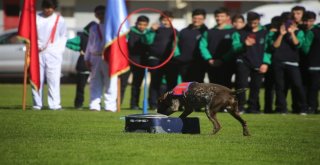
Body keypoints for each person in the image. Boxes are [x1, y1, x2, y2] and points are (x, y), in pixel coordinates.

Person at [269, 12, 307, 115]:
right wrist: (281, 34)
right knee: (280, 86)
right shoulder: (275, 33)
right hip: (278, 62)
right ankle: (282, 109)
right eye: (284, 22)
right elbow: (274, 47)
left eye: (289, 22)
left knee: (297, 85)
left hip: (292, 62)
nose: (286, 25)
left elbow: (297, 44)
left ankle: (303, 108)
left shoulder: (299, 32)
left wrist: (292, 33)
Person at [32, 0, 67, 110]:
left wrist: (58, 50)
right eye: (46, 7)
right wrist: (35, 46)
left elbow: (63, 36)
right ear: (42, 7)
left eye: (51, 7)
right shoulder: (35, 18)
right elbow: (30, 34)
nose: (48, 10)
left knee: (54, 79)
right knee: (37, 78)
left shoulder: (59, 19)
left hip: (53, 52)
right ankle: (37, 104)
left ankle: (55, 104)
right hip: (36, 52)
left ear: (54, 8)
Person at [232, 12, 270, 113]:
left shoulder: (265, 33)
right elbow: (235, 48)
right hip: (243, 62)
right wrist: (244, 45)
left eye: (255, 23)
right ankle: (240, 107)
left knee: (256, 86)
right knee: (241, 85)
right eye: (250, 23)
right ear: (247, 21)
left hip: (258, 62)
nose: (252, 25)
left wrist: (265, 63)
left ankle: (253, 107)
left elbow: (268, 49)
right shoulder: (239, 32)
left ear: (258, 21)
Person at [84, 5, 117, 112]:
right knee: (95, 82)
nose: (101, 15)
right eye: (98, 13)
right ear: (96, 15)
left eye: (103, 13)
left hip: (109, 57)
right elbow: (90, 44)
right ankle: (94, 104)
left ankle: (110, 106)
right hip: (95, 57)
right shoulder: (93, 28)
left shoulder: (113, 27)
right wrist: (87, 58)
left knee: (110, 82)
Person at [147, 10, 179, 109]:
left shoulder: (175, 31)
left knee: (171, 83)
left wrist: (177, 56)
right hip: (156, 60)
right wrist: (151, 30)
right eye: (164, 19)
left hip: (170, 60)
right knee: (155, 82)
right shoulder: (156, 30)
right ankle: (153, 104)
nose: (166, 21)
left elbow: (177, 46)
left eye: (168, 19)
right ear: (161, 20)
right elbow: (148, 41)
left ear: (172, 20)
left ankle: (170, 103)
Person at [199, 7, 236, 89]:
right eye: (217, 16)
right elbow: (202, 46)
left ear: (227, 17)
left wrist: (223, 59)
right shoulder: (209, 32)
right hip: (211, 64)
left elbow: (234, 48)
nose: (219, 18)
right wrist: (209, 59)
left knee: (226, 89)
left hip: (227, 64)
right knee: (213, 89)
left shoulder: (233, 31)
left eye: (222, 16)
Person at [121, 15, 151, 110]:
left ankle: (134, 104)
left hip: (141, 63)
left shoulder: (148, 34)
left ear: (147, 25)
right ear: (136, 23)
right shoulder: (129, 32)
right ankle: (117, 104)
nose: (142, 26)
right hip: (127, 61)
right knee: (123, 83)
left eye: (144, 25)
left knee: (136, 85)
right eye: (140, 24)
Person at [66, 21, 96, 109]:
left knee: (96, 87)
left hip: (96, 64)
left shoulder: (99, 37)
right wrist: (79, 49)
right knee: (80, 86)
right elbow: (68, 43)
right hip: (83, 64)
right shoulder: (82, 37)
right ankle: (78, 104)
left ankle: (96, 104)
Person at [175, 8, 208, 83]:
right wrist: (177, 55)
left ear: (204, 19)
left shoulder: (207, 32)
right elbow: (175, 44)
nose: (196, 20)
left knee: (198, 87)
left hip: (199, 64)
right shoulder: (183, 31)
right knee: (185, 86)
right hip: (183, 63)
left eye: (200, 18)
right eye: (195, 18)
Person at [301, 11, 320, 114]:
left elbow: (305, 49)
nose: (308, 23)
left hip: (313, 65)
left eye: (310, 21)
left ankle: (312, 108)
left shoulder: (310, 32)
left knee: (312, 88)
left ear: (314, 21)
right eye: (306, 21)